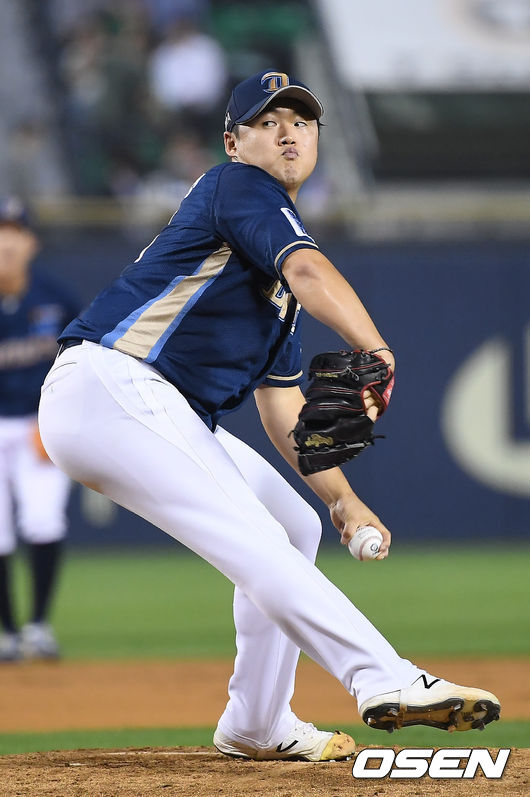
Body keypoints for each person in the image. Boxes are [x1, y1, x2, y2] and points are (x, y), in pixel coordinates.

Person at [38, 71, 500, 760]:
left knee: (292, 525)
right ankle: (385, 676)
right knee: (255, 534)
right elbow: (311, 273)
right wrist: (373, 345)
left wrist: (343, 501)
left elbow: (281, 401)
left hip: (147, 404)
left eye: (302, 119)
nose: (288, 130)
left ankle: (257, 719)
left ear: (317, 139)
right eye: (268, 119)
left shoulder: (268, 273)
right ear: (234, 141)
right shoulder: (240, 188)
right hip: (112, 384)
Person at [0, 198, 80, 661]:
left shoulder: (56, 296)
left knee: (43, 518)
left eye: (16, 231)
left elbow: (82, 359)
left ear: (31, 242)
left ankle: (38, 627)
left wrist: (58, 417)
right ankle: (7, 632)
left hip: (39, 425)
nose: (8, 241)